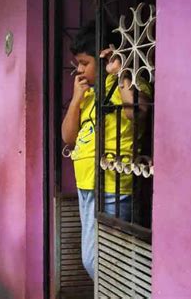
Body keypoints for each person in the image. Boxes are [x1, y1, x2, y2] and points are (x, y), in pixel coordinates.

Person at [61, 21, 152, 279]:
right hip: (87, 183)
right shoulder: (89, 93)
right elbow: (68, 137)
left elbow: (138, 112)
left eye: (84, 63)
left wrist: (122, 72)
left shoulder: (129, 85)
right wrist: (77, 98)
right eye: (77, 63)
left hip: (114, 184)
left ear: (105, 57)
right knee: (99, 261)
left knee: (102, 262)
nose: (78, 69)